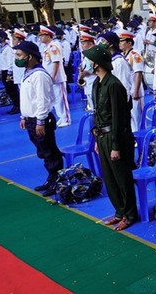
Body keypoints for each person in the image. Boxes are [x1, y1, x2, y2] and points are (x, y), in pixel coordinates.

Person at [84, 44, 138, 232]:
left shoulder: (114, 85)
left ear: (97, 64)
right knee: (109, 177)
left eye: (91, 61)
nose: (88, 63)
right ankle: (119, 211)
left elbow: (119, 119)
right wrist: (96, 138)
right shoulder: (97, 84)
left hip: (116, 137)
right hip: (102, 136)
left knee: (122, 177)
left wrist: (115, 145)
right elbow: (97, 113)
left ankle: (130, 214)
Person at [14, 40, 64, 196]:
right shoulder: (28, 73)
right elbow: (28, 98)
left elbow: (42, 100)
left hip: (40, 120)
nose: (17, 58)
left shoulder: (39, 75)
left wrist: (40, 121)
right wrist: (24, 116)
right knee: (43, 151)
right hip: (31, 119)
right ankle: (52, 178)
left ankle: (57, 181)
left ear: (30, 57)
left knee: (50, 152)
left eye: (19, 55)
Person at [38, 25, 71, 127]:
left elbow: (56, 62)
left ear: (48, 36)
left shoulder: (54, 46)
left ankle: (66, 119)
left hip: (57, 78)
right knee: (55, 100)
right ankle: (61, 117)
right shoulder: (47, 47)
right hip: (50, 78)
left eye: (42, 35)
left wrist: (53, 76)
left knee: (61, 99)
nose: (40, 37)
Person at [118, 30, 145, 132]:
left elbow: (138, 73)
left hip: (134, 90)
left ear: (129, 43)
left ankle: (139, 138)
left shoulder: (135, 54)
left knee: (137, 116)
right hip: (127, 90)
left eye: (122, 41)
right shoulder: (123, 55)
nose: (120, 43)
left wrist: (136, 91)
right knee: (129, 117)